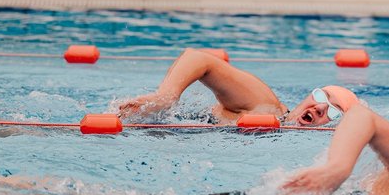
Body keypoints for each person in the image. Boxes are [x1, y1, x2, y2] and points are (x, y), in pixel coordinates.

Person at [117, 48, 359, 126]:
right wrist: (166, 97)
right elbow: (198, 58)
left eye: (333, 111)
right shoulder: (265, 106)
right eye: (321, 97)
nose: (319, 108)